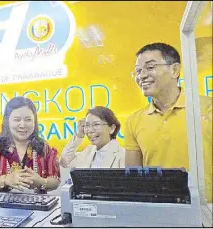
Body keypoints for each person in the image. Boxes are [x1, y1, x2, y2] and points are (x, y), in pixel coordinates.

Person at [124, 42, 212, 202]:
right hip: (158, 213)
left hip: (207, 212)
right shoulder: (133, 121)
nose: (141, 76)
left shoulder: (207, 109)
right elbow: (134, 181)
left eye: (150, 67)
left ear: (174, 70)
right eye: (137, 71)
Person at [0, 96, 60, 193]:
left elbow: (55, 180)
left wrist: (41, 181)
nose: (22, 125)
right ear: (7, 122)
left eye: (28, 119)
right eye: (17, 120)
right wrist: (5, 180)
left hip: (37, 207)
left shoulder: (44, 147)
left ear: (35, 121)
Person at [60, 106, 125, 168]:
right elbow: (65, 162)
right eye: (87, 125)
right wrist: (79, 135)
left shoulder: (123, 155)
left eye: (96, 124)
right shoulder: (88, 151)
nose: (90, 130)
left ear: (112, 128)